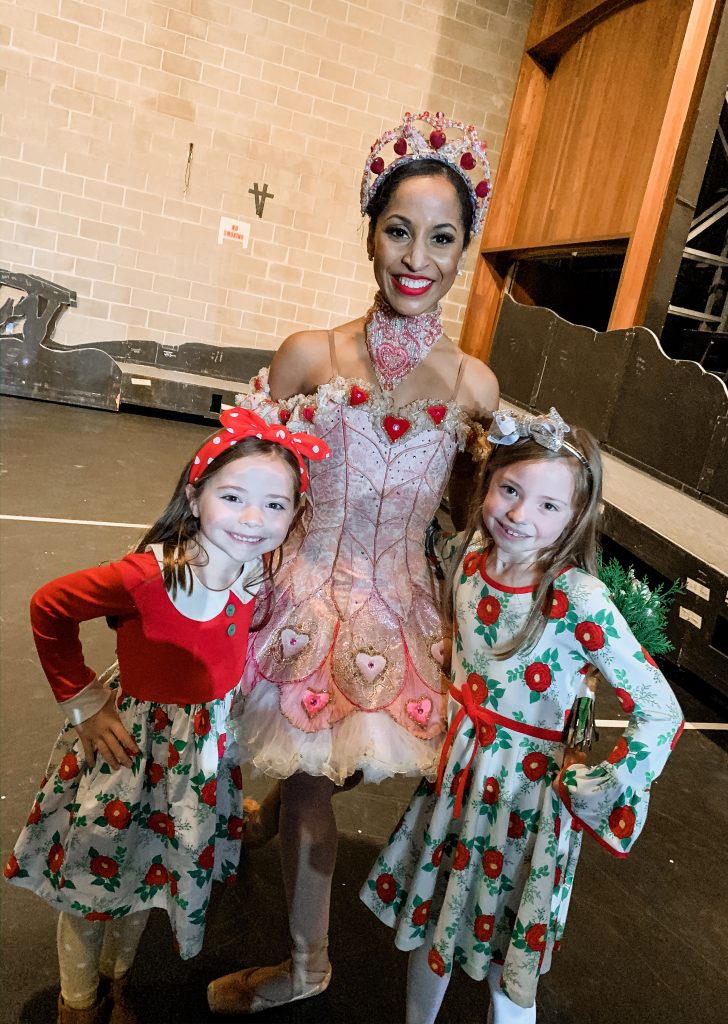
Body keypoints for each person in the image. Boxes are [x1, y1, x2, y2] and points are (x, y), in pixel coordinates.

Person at [207, 111, 500, 1014]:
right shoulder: (308, 356)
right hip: (299, 598)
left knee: (318, 778)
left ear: (463, 254)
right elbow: (237, 471)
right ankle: (296, 931)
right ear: (370, 231)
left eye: (443, 238)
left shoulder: (475, 387)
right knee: (300, 776)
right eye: (399, 230)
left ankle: (305, 968)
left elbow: (464, 516)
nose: (418, 257)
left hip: (401, 609)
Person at [3, 409, 330, 1024]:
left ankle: (116, 981)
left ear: (295, 514)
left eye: (276, 505)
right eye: (233, 497)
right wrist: (85, 701)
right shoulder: (149, 575)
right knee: (93, 883)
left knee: (144, 875)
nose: (254, 520)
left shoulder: (256, 572)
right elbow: (49, 608)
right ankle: (78, 1003)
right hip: (128, 752)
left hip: (193, 762)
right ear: (194, 493)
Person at [360, 408, 685, 1023]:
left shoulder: (576, 596)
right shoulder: (469, 555)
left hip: (528, 801)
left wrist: (607, 783)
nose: (518, 515)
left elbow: (659, 710)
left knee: (514, 945)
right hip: (459, 777)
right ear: (489, 481)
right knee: (433, 922)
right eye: (510, 490)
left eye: (547, 506)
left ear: (576, 518)